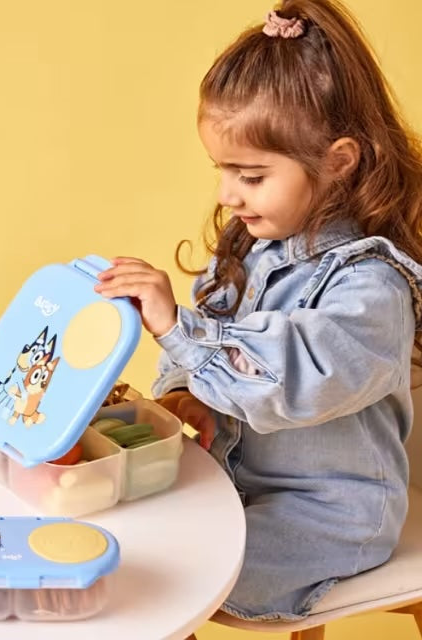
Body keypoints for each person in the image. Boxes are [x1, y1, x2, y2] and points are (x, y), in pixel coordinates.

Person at [94, 0, 422, 622]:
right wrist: (187, 392)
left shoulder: (372, 289)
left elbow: (285, 379)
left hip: (328, 516)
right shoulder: (252, 248)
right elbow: (207, 342)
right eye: (222, 171)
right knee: (119, 533)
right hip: (235, 482)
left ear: (338, 162)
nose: (227, 194)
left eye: (250, 176)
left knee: (163, 577)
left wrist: (176, 328)